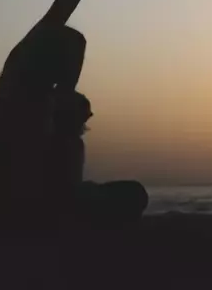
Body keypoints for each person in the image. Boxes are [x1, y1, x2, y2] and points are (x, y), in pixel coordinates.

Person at [0, 0, 146, 231]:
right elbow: (57, 179)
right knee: (131, 194)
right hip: (13, 210)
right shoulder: (34, 106)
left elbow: (58, 12)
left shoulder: (17, 70)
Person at [46, 88, 148, 229]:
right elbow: (65, 189)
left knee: (135, 191)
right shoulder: (61, 143)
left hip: (72, 198)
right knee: (134, 192)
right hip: (65, 203)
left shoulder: (69, 142)